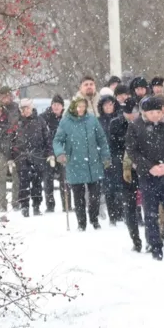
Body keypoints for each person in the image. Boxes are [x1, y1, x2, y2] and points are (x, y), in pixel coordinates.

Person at [126, 95, 164, 260]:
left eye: (158, 112)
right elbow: (132, 150)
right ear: (145, 112)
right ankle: (155, 245)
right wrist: (149, 167)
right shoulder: (136, 126)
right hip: (148, 176)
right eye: (152, 112)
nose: (156, 115)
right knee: (150, 213)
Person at [52, 96, 112, 231]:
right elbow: (57, 140)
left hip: (93, 162)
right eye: (79, 106)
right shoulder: (66, 121)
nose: (81, 109)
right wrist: (60, 153)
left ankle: (94, 219)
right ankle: (81, 222)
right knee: (78, 196)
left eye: (83, 106)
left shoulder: (92, 119)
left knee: (95, 195)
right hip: (74, 162)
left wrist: (105, 155)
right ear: (73, 107)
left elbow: (101, 139)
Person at [110, 100, 144, 252]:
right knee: (129, 205)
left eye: (134, 111)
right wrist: (127, 163)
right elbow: (114, 148)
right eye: (128, 112)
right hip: (125, 169)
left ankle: (153, 237)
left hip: (145, 168)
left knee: (149, 205)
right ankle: (135, 239)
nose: (131, 115)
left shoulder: (144, 124)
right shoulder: (116, 124)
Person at [9, 99, 51, 216]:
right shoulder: (16, 123)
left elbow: (47, 139)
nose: (25, 111)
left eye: (27, 108)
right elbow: (10, 142)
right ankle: (24, 207)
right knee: (23, 183)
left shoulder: (40, 121)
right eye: (23, 108)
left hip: (37, 156)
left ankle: (36, 206)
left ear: (31, 108)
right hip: (21, 157)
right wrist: (10, 158)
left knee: (37, 183)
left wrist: (49, 154)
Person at [97, 94, 126, 225]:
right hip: (105, 158)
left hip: (119, 156)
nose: (108, 107)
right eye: (105, 105)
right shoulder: (98, 121)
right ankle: (112, 216)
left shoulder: (120, 120)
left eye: (111, 104)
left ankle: (121, 214)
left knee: (120, 187)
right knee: (108, 188)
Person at [40, 96, 66, 213]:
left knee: (64, 179)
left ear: (62, 107)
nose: (56, 107)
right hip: (49, 152)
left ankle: (67, 204)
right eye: (54, 104)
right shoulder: (44, 118)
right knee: (48, 179)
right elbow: (43, 136)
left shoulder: (66, 118)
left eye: (58, 104)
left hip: (63, 152)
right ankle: (50, 205)